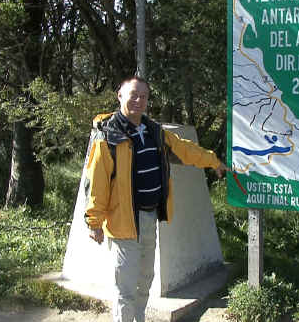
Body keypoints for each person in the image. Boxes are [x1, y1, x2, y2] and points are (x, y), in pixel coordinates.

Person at [84, 76, 228, 322]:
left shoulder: (153, 130)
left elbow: (184, 149)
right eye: (133, 95)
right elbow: (96, 184)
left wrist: (212, 161)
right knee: (126, 287)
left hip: (149, 217)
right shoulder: (109, 137)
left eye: (144, 96)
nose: (139, 100)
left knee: (144, 281)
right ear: (120, 96)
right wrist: (94, 222)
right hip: (122, 223)